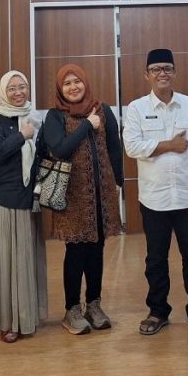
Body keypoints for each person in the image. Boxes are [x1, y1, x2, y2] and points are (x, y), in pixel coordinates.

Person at [124, 48, 188, 336]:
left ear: (174, 72)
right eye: (156, 69)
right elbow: (132, 146)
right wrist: (168, 145)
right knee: (155, 259)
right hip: (154, 198)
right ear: (146, 75)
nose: (162, 73)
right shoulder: (136, 108)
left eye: (167, 68)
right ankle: (158, 310)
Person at [41, 64, 124, 335]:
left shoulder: (103, 110)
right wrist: (87, 124)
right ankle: (72, 309)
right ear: (60, 89)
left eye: (77, 81)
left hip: (101, 195)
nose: (73, 87)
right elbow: (60, 149)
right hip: (72, 197)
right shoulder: (55, 116)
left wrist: (118, 183)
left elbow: (115, 148)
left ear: (85, 83)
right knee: (76, 252)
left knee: (97, 249)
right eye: (67, 83)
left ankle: (94, 304)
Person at [0, 71, 48, 343]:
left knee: (25, 261)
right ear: (3, 91)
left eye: (23, 87)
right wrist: (21, 135)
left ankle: (26, 316)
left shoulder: (34, 117)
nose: (18, 92)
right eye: (12, 88)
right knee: (5, 263)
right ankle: (8, 321)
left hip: (28, 199)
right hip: (1, 200)